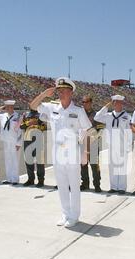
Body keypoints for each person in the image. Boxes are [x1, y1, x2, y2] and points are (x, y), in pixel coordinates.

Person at [29, 77, 92, 228]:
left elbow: (88, 131)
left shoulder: (78, 111)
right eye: (59, 91)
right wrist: (44, 94)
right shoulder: (52, 108)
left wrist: (86, 153)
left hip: (72, 153)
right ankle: (65, 213)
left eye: (64, 91)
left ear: (71, 92)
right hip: (57, 153)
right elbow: (32, 106)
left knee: (74, 186)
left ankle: (74, 216)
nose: (61, 93)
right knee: (62, 185)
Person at [94, 95, 132, 194]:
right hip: (111, 144)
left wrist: (129, 146)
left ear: (122, 103)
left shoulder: (127, 116)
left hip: (122, 144)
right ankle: (114, 187)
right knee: (112, 167)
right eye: (114, 102)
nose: (116, 104)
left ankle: (122, 188)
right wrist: (107, 106)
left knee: (122, 167)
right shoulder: (108, 115)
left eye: (118, 102)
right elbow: (97, 117)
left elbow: (129, 132)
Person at [0, 100, 22, 185]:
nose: (7, 108)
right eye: (6, 107)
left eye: (9, 107)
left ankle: (15, 179)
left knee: (14, 160)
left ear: (12, 107)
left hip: (14, 141)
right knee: (8, 160)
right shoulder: (2, 116)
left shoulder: (18, 116)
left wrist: (19, 143)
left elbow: (20, 131)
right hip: (6, 140)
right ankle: (9, 178)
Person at [80, 95, 105, 193]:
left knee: (94, 165)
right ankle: (85, 184)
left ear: (90, 103)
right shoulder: (80, 114)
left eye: (85, 102)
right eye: (83, 102)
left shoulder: (96, 115)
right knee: (83, 165)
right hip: (82, 142)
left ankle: (97, 185)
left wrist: (95, 137)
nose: (84, 104)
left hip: (93, 143)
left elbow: (101, 128)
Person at [20, 108, 47, 187]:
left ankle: (41, 180)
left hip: (38, 138)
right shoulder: (25, 114)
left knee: (40, 161)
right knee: (28, 160)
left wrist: (37, 123)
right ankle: (30, 179)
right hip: (27, 139)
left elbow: (45, 127)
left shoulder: (41, 114)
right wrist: (28, 123)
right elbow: (21, 126)